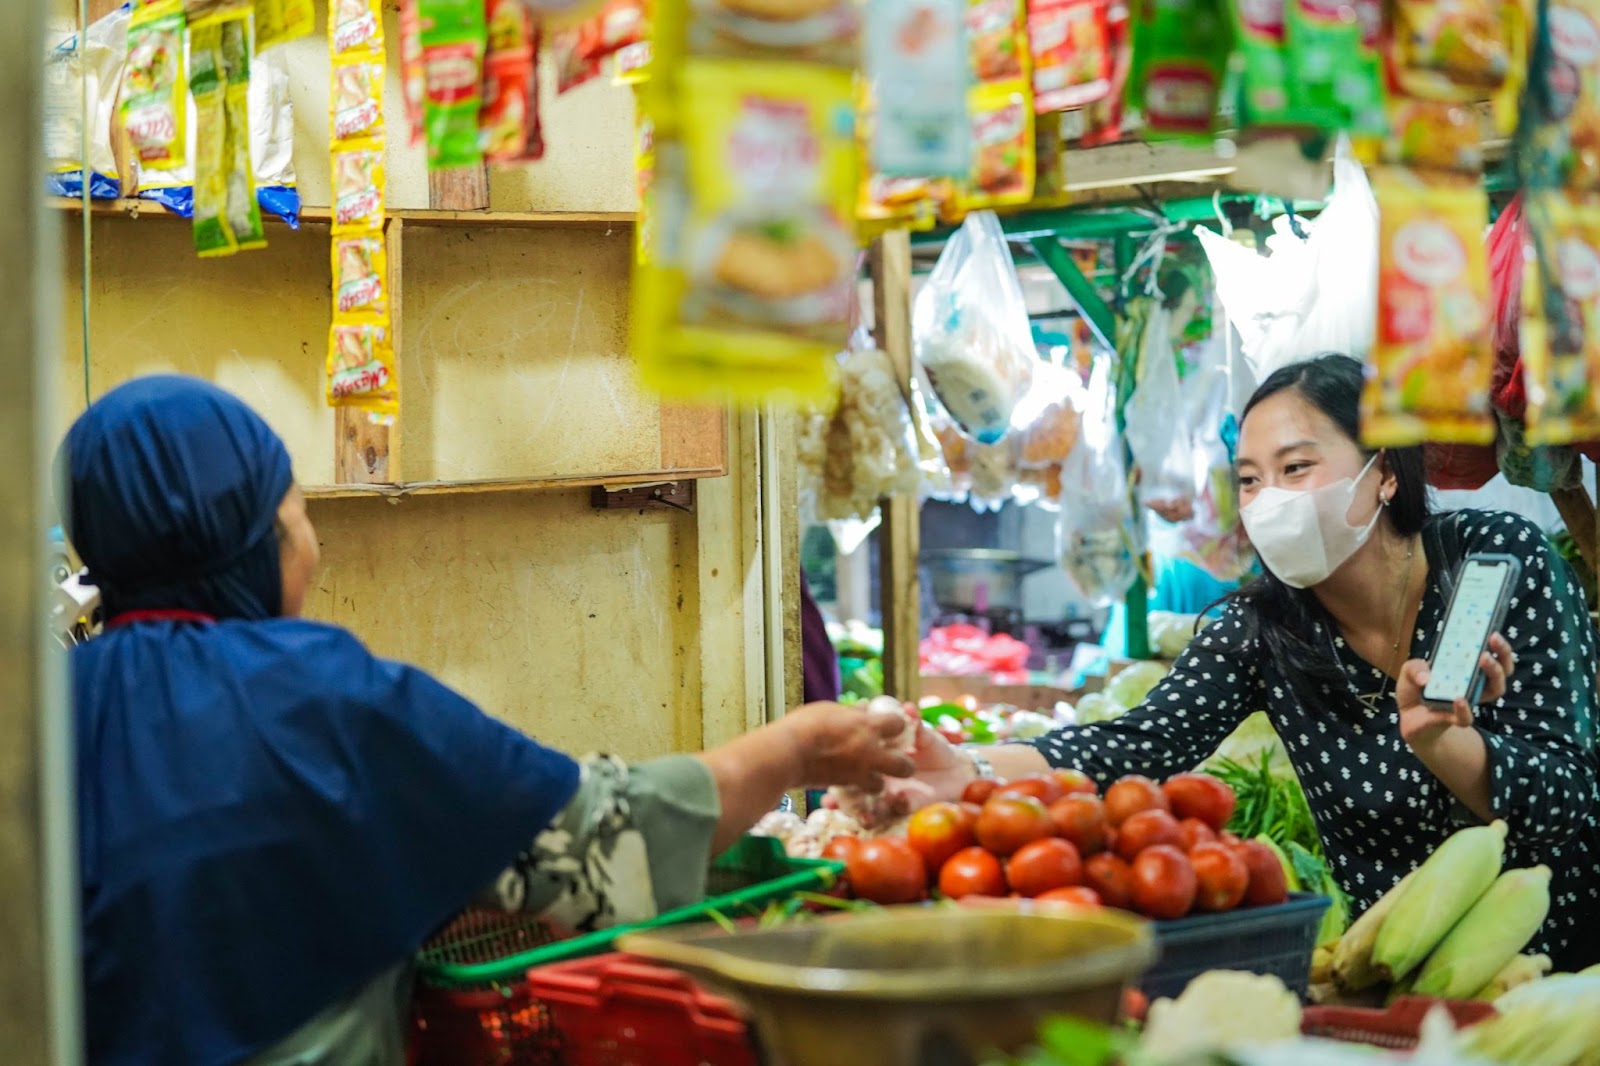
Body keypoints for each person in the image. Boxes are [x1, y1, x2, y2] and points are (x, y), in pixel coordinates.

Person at [61, 376, 916, 1066]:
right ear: (256, 536)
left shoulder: (41, 711)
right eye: (298, 515)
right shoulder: (320, 694)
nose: (312, 550)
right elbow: (605, 847)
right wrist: (797, 747)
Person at [890, 354, 1599, 971]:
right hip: (1389, 966)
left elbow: (1567, 804)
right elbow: (1138, 742)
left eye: (1297, 468)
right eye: (1252, 480)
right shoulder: (1261, 627)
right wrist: (970, 769)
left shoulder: (1497, 562)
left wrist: (1444, 741)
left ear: (1384, 473)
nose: (1269, 502)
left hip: (1555, 973)